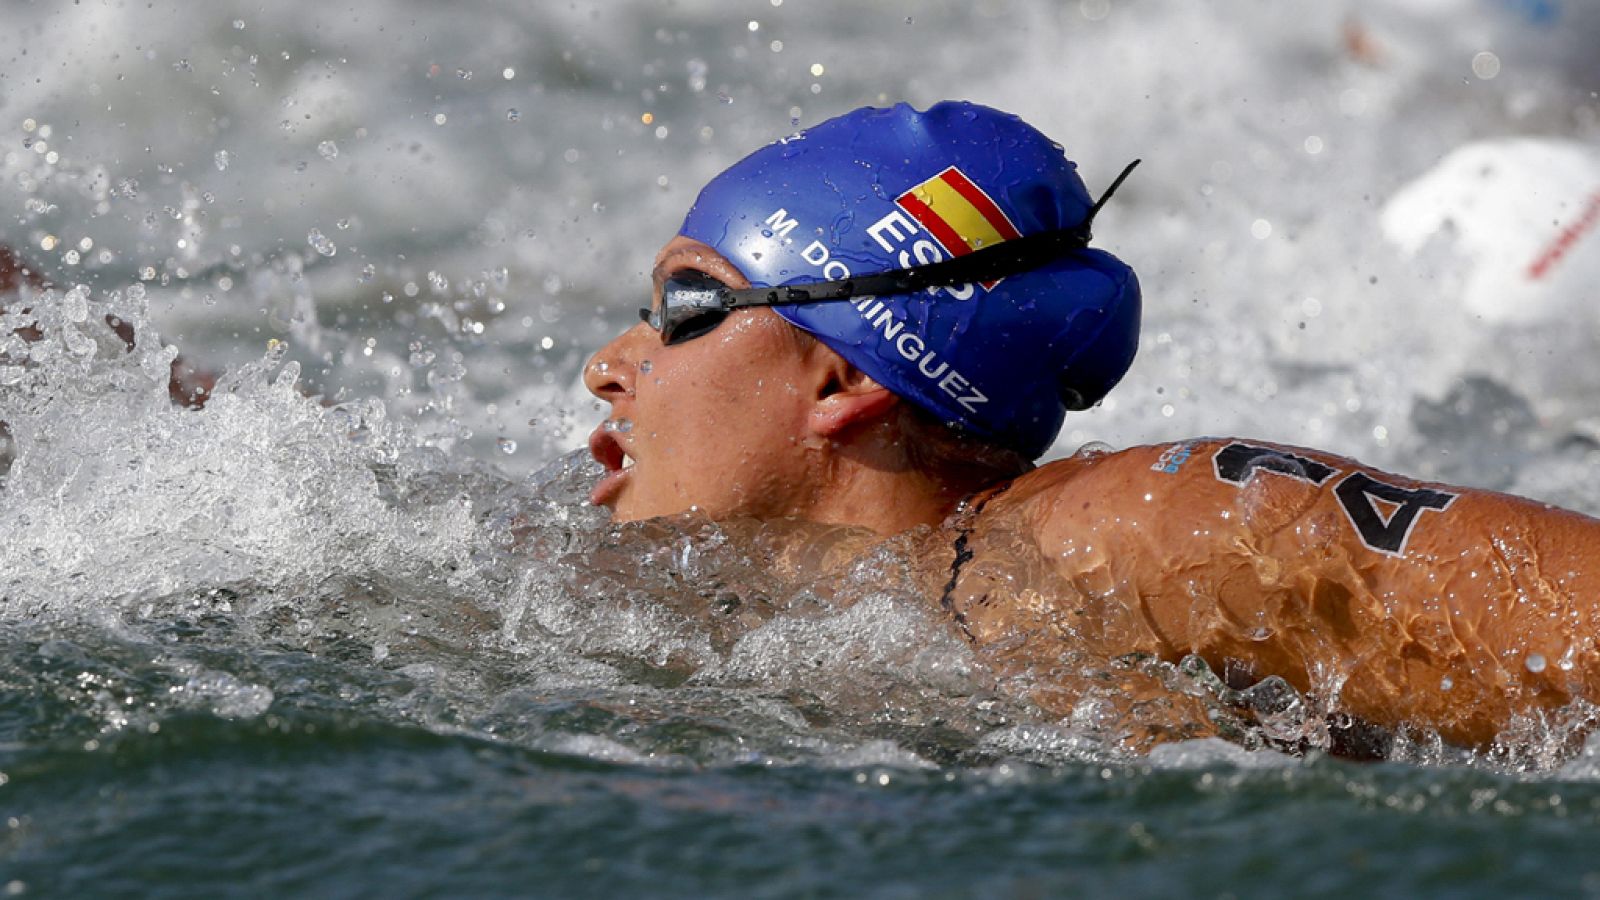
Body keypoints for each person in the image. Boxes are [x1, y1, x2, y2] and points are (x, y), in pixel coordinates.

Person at [583, 101, 1600, 755]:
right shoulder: (680, 603)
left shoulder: (1148, 532)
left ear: (845, 373)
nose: (608, 368)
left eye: (683, 306)